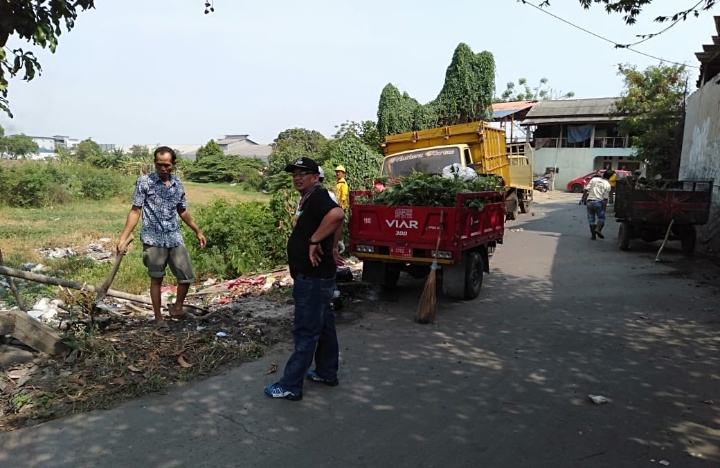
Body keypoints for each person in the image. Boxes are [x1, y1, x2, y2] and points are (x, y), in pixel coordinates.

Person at [265, 157, 346, 401]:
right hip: (318, 275)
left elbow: (337, 214)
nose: (297, 177)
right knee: (323, 327)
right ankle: (326, 372)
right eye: (294, 174)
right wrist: (329, 244)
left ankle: (290, 385)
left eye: (303, 173)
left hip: (312, 277)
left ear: (316, 176)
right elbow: (330, 221)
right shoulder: (310, 198)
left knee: (306, 331)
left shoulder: (319, 196)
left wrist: (313, 241)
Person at [118, 146, 207, 330]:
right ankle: (159, 319)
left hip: (174, 237)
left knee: (186, 276)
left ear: (173, 164)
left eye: (166, 165)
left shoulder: (177, 184)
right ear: (155, 163)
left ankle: (177, 309)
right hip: (153, 239)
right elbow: (136, 210)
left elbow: (182, 210)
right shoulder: (144, 182)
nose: (162, 168)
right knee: (156, 279)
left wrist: (197, 230)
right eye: (159, 164)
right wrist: (123, 237)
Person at [581, 169, 612, 240]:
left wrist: (583, 199)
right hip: (599, 203)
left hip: (590, 202)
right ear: (610, 177)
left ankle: (593, 236)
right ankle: (598, 229)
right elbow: (605, 199)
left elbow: (586, 189)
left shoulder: (594, 179)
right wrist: (604, 209)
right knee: (601, 218)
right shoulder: (608, 185)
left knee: (591, 219)